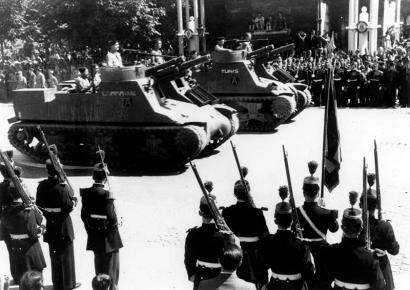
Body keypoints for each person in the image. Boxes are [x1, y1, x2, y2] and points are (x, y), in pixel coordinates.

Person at [316, 192, 386, 290]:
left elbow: (321, 282)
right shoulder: (370, 257)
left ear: (342, 228)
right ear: (361, 229)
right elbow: (379, 287)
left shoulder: (332, 252)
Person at [36, 159, 80, 290]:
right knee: (67, 256)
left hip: (51, 224)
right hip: (63, 225)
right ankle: (68, 283)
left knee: (54, 255)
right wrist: (74, 201)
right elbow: (68, 206)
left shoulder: (42, 186)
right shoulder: (63, 187)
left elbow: (39, 205)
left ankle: (57, 283)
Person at [260, 186, 314, 290]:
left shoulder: (268, 241)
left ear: (275, 221)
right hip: (296, 286)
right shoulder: (301, 244)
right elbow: (309, 272)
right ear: (292, 221)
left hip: (275, 286)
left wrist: (264, 284)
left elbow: (262, 267)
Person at [295, 161, 338, 289]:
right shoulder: (327, 213)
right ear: (318, 193)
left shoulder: (296, 212)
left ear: (303, 192)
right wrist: (323, 208)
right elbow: (334, 228)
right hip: (321, 254)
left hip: (303, 254)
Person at [80, 163, 123, 290]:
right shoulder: (107, 194)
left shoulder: (86, 193)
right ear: (105, 178)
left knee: (98, 265)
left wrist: (91, 229)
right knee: (111, 268)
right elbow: (112, 218)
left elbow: (84, 216)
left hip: (94, 235)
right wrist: (117, 222)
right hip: (108, 237)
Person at [222, 179, 269, 287]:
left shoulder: (227, 212)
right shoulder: (257, 213)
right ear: (249, 192)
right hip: (254, 260)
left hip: (234, 258)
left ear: (235, 193)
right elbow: (265, 237)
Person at [1, 180, 46, 283]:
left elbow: (3, 234)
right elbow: (34, 233)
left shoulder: (5, 212)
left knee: (22, 282)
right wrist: (42, 228)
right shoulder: (28, 211)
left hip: (15, 251)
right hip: (30, 251)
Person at [185, 193, 232, 290]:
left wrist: (192, 276)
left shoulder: (193, 234)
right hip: (221, 278)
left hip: (201, 277)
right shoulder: (226, 236)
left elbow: (189, 259)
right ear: (217, 213)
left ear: (200, 213)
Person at [359, 178, 399, 290]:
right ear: (376, 206)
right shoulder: (385, 227)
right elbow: (394, 250)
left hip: (360, 271)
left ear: (361, 205)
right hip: (380, 274)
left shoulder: (354, 225)